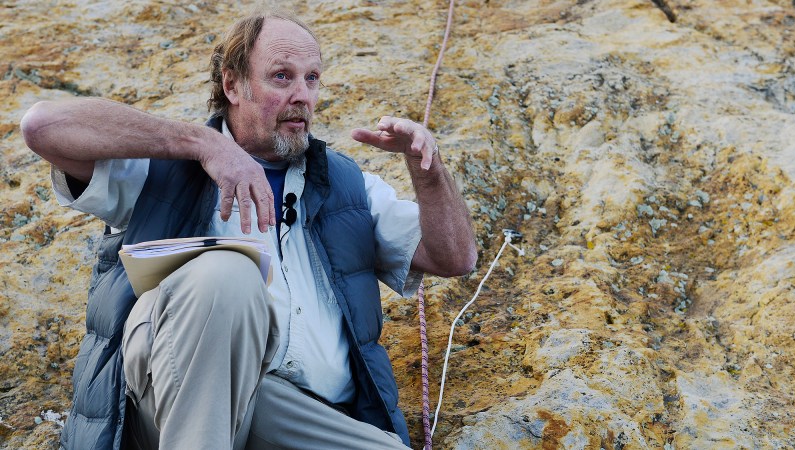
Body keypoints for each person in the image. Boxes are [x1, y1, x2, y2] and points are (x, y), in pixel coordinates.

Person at [21, 8, 476, 450]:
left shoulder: (349, 186)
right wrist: (200, 143)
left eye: (311, 78)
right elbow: (44, 126)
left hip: (302, 415)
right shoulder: (163, 169)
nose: (302, 94)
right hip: (171, 397)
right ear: (233, 84)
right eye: (282, 76)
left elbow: (454, 258)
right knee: (229, 274)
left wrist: (428, 170)